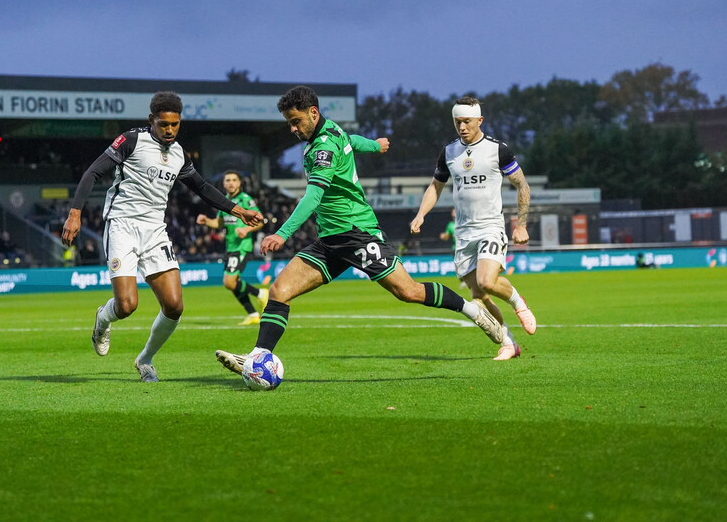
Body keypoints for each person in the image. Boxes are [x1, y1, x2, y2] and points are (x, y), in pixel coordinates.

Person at [215, 86, 505, 376]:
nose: (292, 128)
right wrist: (374, 145)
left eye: (296, 121)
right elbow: (350, 140)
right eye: (289, 123)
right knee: (279, 291)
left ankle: (473, 311)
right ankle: (257, 357)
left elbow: (313, 197)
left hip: (357, 233)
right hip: (329, 240)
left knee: (408, 292)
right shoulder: (329, 131)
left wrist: (282, 233)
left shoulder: (323, 149)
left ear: (313, 113)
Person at [62, 91, 264, 382]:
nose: (169, 130)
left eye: (175, 124)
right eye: (164, 124)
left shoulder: (179, 153)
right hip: (122, 226)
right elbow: (93, 172)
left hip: (155, 230)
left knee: (174, 305)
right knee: (127, 306)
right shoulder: (131, 140)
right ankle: (103, 319)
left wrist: (237, 210)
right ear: (151, 120)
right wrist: (75, 213)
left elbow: (202, 187)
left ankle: (145, 361)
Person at [409, 96, 536, 361]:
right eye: (457, 122)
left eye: (467, 121)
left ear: (480, 120)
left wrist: (521, 225)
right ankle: (508, 343)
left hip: (490, 226)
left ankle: (518, 302)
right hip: (464, 233)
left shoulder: (497, 149)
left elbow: (522, 185)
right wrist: (421, 214)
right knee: (479, 297)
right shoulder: (449, 152)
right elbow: (436, 186)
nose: (462, 127)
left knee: (486, 282)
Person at [196, 170, 269, 325]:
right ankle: (253, 314)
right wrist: (207, 221)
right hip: (230, 247)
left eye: (234, 180)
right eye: (227, 180)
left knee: (229, 282)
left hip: (242, 247)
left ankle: (261, 293)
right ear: (223, 184)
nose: (230, 183)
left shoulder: (245, 200)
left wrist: (246, 229)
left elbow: (261, 221)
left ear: (239, 183)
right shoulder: (224, 201)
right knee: (233, 283)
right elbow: (219, 223)